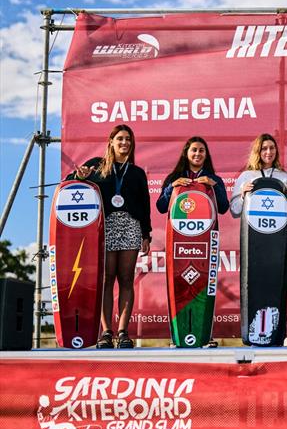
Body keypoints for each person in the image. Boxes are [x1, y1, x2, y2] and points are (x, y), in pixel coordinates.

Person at [71, 125, 151, 349]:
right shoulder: (97, 165)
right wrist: (79, 176)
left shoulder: (136, 172)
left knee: (126, 279)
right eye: (120, 139)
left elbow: (145, 206)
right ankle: (106, 333)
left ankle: (124, 332)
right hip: (104, 227)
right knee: (106, 280)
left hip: (130, 226)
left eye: (128, 139)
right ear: (111, 142)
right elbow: (72, 180)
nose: (124, 143)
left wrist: (146, 234)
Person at [230, 133, 287, 230]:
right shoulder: (246, 176)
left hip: (279, 234)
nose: (269, 152)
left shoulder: (285, 177)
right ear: (257, 151)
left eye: (272, 148)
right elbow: (235, 211)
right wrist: (243, 196)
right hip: (253, 235)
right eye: (264, 148)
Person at [156, 136, 230, 215]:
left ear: (206, 155)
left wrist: (214, 186)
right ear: (186, 153)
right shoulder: (174, 178)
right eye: (194, 150)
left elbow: (223, 209)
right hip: (178, 225)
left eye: (201, 151)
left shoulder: (214, 180)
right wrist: (172, 187)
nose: (197, 154)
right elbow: (161, 207)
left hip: (207, 226)